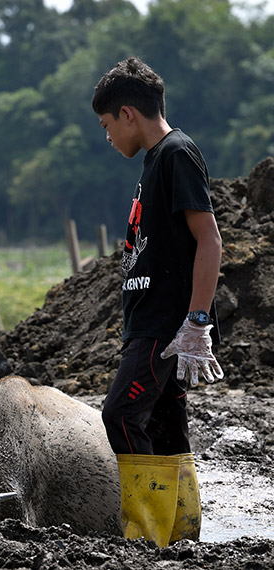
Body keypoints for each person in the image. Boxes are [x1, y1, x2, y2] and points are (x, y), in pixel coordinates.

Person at [92, 56, 224, 547]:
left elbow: (209, 241)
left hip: (164, 326)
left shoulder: (175, 154)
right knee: (166, 425)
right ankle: (181, 534)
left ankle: (144, 538)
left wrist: (196, 323)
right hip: (151, 323)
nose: (107, 137)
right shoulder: (156, 161)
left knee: (120, 416)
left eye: (107, 125)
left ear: (128, 114)